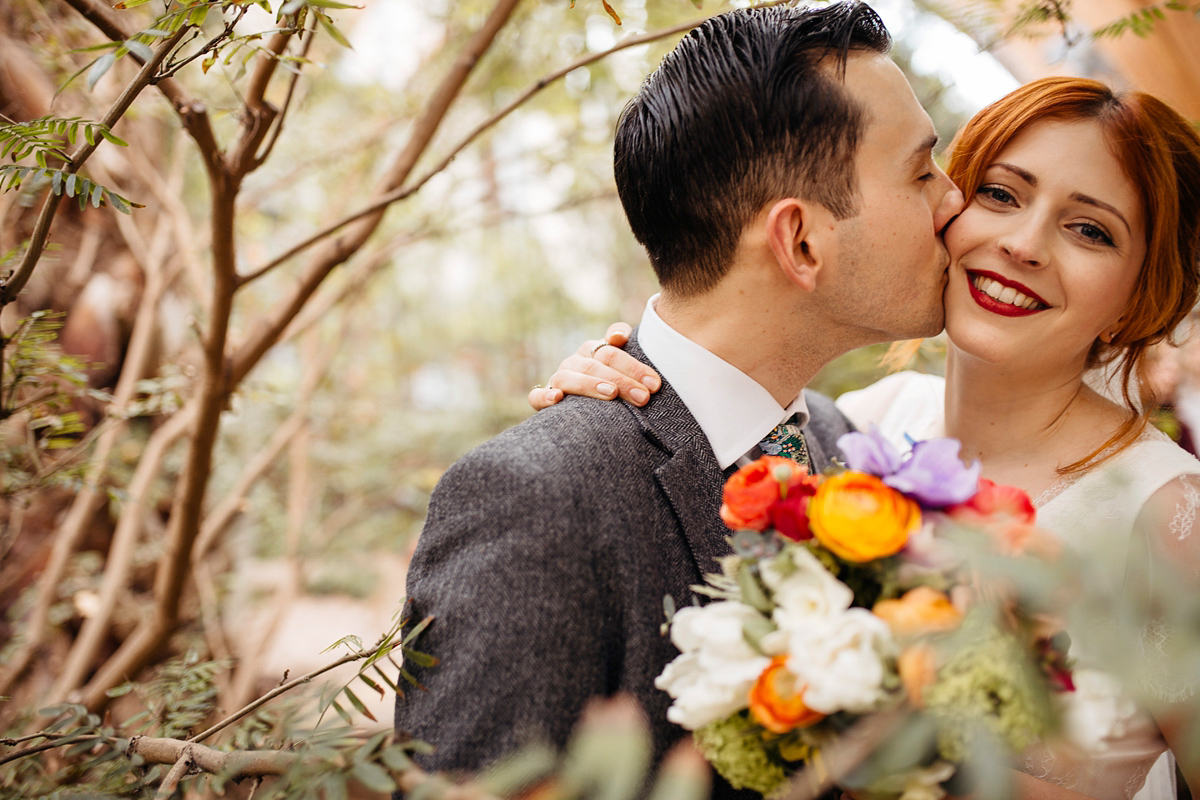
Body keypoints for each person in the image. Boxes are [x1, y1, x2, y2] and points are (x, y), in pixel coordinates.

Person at [534, 76, 1200, 800]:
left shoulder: (1167, 517)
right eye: (1002, 194)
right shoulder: (856, 427)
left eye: (1090, 231)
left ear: (1141, 295)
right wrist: (621, 394)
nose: (1023, 244)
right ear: (946, 205)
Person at [394, 1, 964, 789]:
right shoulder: (536, 499)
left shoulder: (840, 444)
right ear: (801, 241)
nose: (954, 199)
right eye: (922, 170)